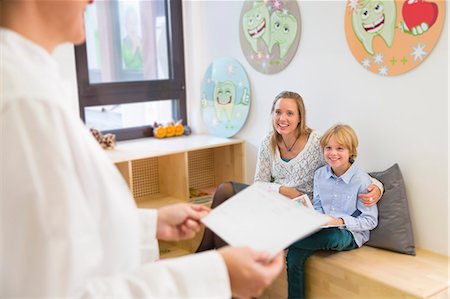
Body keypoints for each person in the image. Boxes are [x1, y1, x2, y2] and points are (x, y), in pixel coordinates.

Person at [0, 1, 283, 298]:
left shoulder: (29, 86)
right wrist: (217, 275)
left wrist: (151, 223)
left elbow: (68, 229)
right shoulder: (23, 104)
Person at [197, 91, 382, 251]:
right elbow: (259, 183)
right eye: (278, 112)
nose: (282, 119)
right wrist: (282, 190)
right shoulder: (268, 142)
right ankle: (210, 255)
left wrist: (377, 186)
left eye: (290, 113)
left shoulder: (317, 142)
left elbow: (344, 164)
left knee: (238, 221)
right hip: (273, 199)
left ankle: (213, 260)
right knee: (225, 191)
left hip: (301, 208)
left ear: (300, 117)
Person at [286, 124, 378, 298]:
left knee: (331, 236)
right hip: (322, 228)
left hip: (349, 234)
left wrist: (340, 221)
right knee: (294, 255)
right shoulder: (320, 175)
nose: (332, 153)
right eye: (328, 148)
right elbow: (319, 206)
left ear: (351, 151)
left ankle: (284, 242)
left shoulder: (362, 181)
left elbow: (370, 221)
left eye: (340, 148)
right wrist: (312, 217)